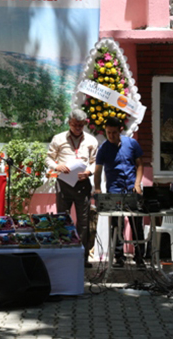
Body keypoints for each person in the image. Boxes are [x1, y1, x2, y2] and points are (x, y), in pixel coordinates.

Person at [46, 108, 98, 268]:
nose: (78, 128)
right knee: (62, 219)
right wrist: (57, 166)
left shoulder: (91, 140)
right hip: (64, 184)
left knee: (83, 222)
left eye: (81, 125)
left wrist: (89, 171)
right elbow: (48, 159)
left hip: (83, 185)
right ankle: (63, 255)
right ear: (69, 123)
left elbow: (95, 162)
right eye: (75, 125)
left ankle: (82, 257)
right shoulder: (58, 138)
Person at [94, 116, 145, 269]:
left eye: (114, 133)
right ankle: (118, 257)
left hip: (131, 188)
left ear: (120, 130)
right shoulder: (103, 148)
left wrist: (137, 184)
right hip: (114, 190)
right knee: (116, 225)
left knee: (136, 223)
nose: (111, 136)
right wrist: (97, 188)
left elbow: (140, 165)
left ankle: (139, 257)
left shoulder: (131, 143)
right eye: (108, 132)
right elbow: (98, 170)